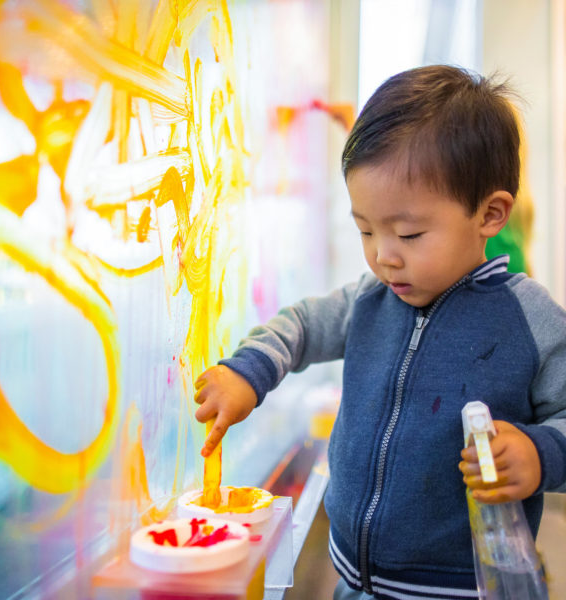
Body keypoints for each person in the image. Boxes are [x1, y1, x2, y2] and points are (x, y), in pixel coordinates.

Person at [193, 65, 566, 600]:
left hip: (463, 590)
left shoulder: (530, 319)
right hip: (353, 582)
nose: (382, 256)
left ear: (490, 214)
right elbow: (300, 326)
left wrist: (537, 454)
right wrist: (246, 372)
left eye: (409, 234)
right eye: (366, 229)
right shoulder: (370, 299)